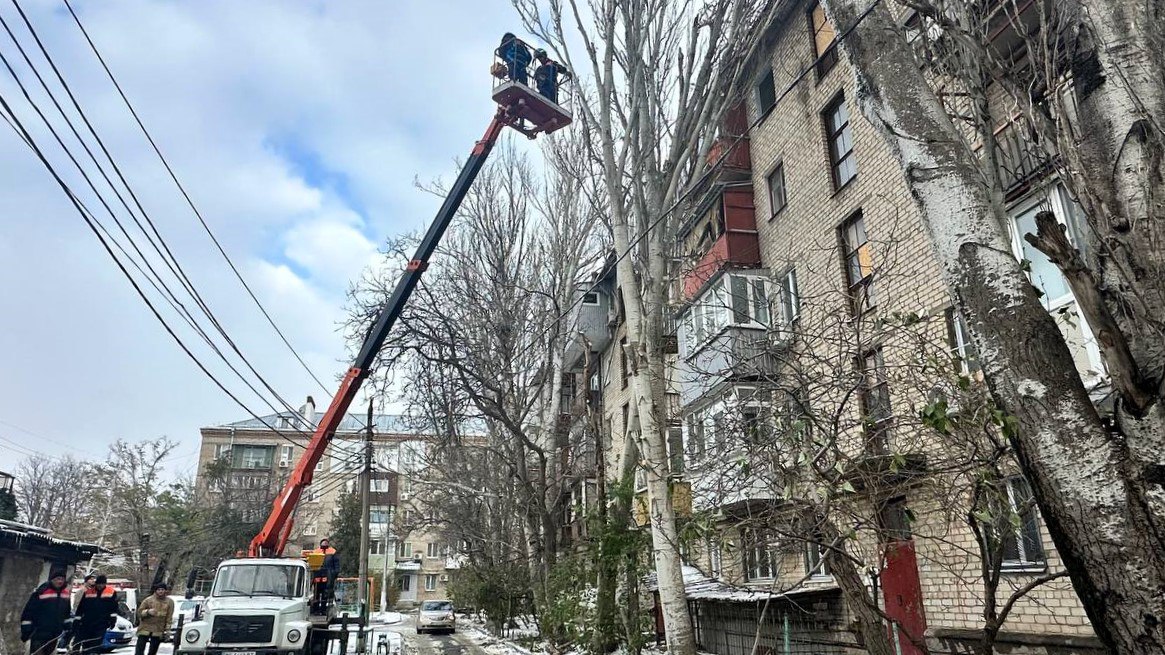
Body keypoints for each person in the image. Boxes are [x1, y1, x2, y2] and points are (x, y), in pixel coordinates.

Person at [20, 566, 72, 655]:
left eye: (62, 579)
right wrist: (26, 629)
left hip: (55, 633)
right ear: (52, 579)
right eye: (57, 579)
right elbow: (28, 611)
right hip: (39, 632)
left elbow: (67, 612)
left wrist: (68, 625)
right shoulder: (41, 591)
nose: (60, 581)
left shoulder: (65, 594)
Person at [73, 575, 118, 655]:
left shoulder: (111, 592)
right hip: (87, 623)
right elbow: (81, 608)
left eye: (102, 584)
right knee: (86, 645)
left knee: (96, 645)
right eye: (99, 584)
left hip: (102, 623)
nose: (100, 586)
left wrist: (112, 620)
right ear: (96, 583)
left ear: (105, 584)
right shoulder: (88, 592)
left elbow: (113, 608)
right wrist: (77, 620)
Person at [134, 584, 172, 655]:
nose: (160, 591)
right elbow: (139, 613)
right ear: (155, 591)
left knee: (153, 650)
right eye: (159, 590)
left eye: (162, 590)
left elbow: (169, 617)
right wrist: (147, 612)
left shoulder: (169, 602)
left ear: (165, 591)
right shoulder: (148, 600)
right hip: (145, 628)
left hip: (158, 629)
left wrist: (167, 630)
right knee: (139, 649)